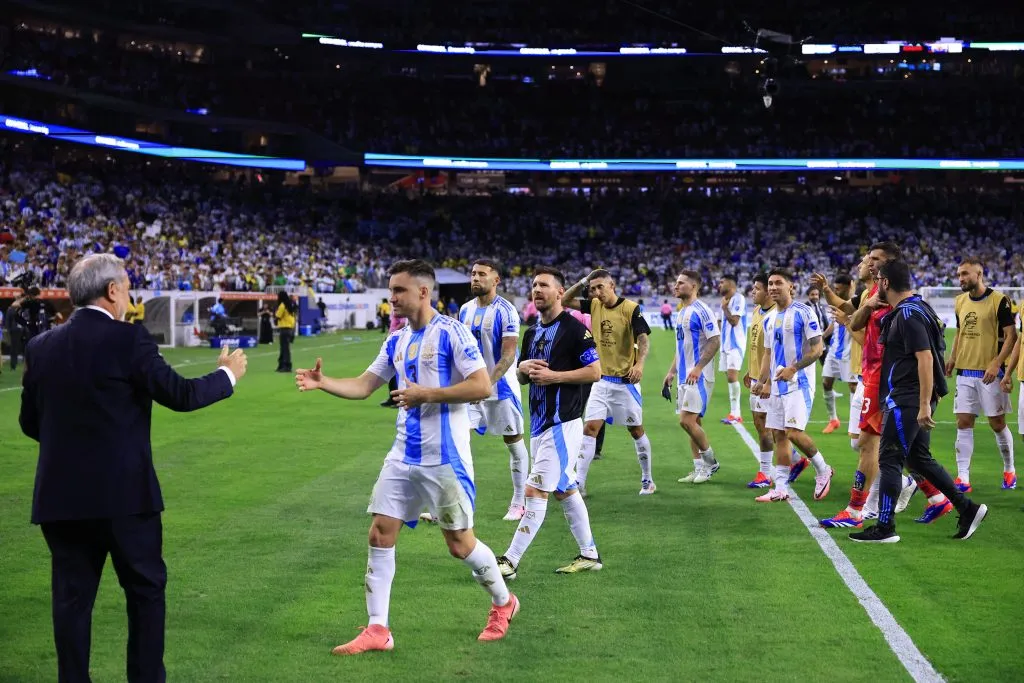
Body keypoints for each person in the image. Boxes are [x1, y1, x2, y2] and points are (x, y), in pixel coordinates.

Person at [19, 253, 247, 683]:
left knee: (71, 602)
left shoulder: (41, 346)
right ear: (111, 291)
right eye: (125, 286)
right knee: (144, 595)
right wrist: (226, 375)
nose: (128, 295)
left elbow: (31, 424)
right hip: (125, 497)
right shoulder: (129, 339)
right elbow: (179, 394)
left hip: (59, 499)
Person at [295, 259, 519, 654]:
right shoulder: (396, 338)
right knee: (380, 532)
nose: (392, 298)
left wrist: (425, 395)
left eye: (398, 290)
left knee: (459, 544)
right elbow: (366, 385)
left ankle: (504, 603)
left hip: (445, 458)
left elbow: (482, 385)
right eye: (390, 290)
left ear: (422, 292)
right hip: (402, 455)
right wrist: (323, 382)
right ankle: (378, 629)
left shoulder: (452, 332)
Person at [849, 260, 989, 543]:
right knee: (918, 458)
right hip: (914, 396)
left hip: (908, 398)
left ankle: (885, 527)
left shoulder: (907, 314)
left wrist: (924, 403)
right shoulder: (917, 308)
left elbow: (924, 357)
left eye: (880, 281)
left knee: (889, 458)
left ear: (886, 283)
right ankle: (967, 508)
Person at [495, 266, 603, 580]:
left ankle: (510, 561)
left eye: (544, 285)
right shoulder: (532, 332)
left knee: (535, 489)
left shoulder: (573, 329)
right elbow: (522, 377)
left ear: (559, 292)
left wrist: (555, 376)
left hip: (563, 422)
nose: (537, 290)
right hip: (539, 425)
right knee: (565, 489)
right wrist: (522, 368)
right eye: (533, 285)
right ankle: (589, 554)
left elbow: (594, 372)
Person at [563, 269, 654, 496]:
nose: (596, 292)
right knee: (590, 428)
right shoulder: (593, 305)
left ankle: (647, 480)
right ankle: (580, 483)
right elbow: (564, 299)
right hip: (602, 382)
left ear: (612, 285)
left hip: (626, 383)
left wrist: (640, 364)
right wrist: (584, 279)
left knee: (635, 430)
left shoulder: (631, 309)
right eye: (592, 289)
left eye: (600, 287)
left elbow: (643, 339)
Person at [751, 269, 834, 503]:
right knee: (779, 435)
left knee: (793, 433)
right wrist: (761, 380)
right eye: (770, 283)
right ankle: (780, 488)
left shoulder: (804, 312)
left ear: (791, 287)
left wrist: (793, 368)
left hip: (800, 383)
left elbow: (817, 349)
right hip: (778, 386)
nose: (774, 287)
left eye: (779, 283)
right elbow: (768, 353)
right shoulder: (769, 319)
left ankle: (822, 468)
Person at [459, 259, 529, 521]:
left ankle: (519, 501)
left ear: (496, 280)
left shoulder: (506, 311)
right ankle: (452, 501)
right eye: (473, 273)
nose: (475, 278)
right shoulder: (465, 310)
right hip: (471, 391)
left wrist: (486, 383)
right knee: (455, 438)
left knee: (513, 443)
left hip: (501, 390)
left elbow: (509, 355)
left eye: (482, 274)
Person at [945, 258, 1017, 491]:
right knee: (963, 422)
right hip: (965, 371)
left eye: (965, 274)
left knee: (997, 423)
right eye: (959, 275)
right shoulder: (959, 301)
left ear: (979, 274)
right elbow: (959, 333)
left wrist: (997, 363)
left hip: (990, 373)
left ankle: (1009, 470)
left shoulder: (1000, 301)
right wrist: (953, 358)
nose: (961, 279)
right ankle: (963, 478)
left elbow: (1011, 336)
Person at [663, 271, 722, 484]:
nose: (675, 286)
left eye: (680, 283)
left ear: (694, 286)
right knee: (694, 422)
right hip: (684, 376)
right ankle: (699, 468)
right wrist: (671, 371)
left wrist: (698, 368)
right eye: (675, 282)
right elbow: (681, 347)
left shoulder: (702, 310)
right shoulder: (682, 312)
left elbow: (715, 341)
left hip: (698, 376)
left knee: (686, 421)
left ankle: (711, 462)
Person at [743, 273, 778, 488]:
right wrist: (750, 370)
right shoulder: (757, 311)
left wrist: (768, 382)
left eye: (757, 288)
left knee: (766, 426)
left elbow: (775, 352)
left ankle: (765, 474)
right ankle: (795, 460)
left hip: (769, 380)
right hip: (757, 377)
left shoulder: (775, 315)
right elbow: (756, 345)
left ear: (767, 291)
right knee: (764, 425)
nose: (753, 292)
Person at [818, 275, 855, 434]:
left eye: (839, 289)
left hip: (850, 351)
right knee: (826, 383)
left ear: (848, 287)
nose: (836, 291)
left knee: (853, 387)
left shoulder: (856, 303)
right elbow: (834, 324)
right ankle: (833, 419)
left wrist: (847, 320)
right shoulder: (836, 304)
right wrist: (821, 337)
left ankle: (854, 424)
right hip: (834, 350)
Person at [717, 274, 749, 425]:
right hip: (725, 345)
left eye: (722, 282)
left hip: (736, 344)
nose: (719, 285)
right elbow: (719, 321)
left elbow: (735, 321)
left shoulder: (738, 298)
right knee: (729, 378)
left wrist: (724, 308)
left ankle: (737, 414)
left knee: (732, 376)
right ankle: (733, 412)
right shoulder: (723, 301)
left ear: (731, 284)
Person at [381, 313, 408, 408]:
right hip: (393, 339)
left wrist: (394, 332)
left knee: (398, 370)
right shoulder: (395, 310)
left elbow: (403, 322)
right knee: (390, 371)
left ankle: (399, 399)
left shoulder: (401, 310)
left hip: (398, 340)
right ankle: (393, 398)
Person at [275, 292, 296, 373]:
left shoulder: (282, 305)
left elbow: (278, 316)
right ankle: (281, 365)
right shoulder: (290, 306)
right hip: (290, 329)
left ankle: (287, 366)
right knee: (284, 348)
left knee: (284, 348)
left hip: (284, 329)